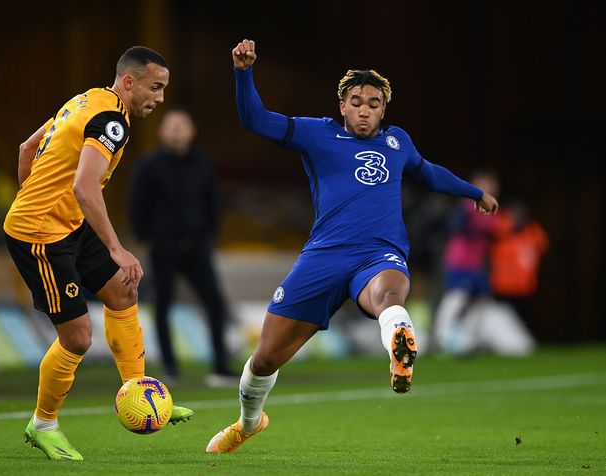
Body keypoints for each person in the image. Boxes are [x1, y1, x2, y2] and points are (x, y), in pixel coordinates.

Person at [205, 39, 499, 454]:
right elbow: (255, 120)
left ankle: (400, 339)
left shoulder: (398, 143)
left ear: (384, 110)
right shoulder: (316, 133)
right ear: (342, 105)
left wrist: (472, 192)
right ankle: (248, 423)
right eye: (357, 101)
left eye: (374, 103)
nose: (365, 109)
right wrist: (243, 72)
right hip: (323, 256)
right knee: (265, 358)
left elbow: (428, 172)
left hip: (378, 252)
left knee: (389, 294)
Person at [3, 46, 193, 461]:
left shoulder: (88, 98)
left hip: (66, 223)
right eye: (155, 87)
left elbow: (25, 149)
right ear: (129, 82)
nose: (159, 98)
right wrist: (115, 247)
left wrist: (35, 195)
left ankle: (142, 394)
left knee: (123, 291)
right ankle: (43, 424)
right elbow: (84, 187)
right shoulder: (111, 122)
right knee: (77, 337)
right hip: (40, 235)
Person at [129, 108, 237, 387]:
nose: (177, 131)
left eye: (182, 126)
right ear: (161, 131)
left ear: (192, 131)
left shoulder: (203, 163)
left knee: (214, 302)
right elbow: (136, 204)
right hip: (163, 247)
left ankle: (221, 366)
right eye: (171, 126)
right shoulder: (148, 165)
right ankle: (170, 368)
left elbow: (213, 203)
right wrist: (146, 236)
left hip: (198, 247)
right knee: (162, 305)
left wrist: (209, 237)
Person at [432, 170, 500, 353]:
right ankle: (440, 340)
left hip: (477, 264)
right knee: (455, 299)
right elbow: (453, 227)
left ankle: (469, 342)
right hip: (460, 262)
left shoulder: (493, 210)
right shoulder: (467, 207)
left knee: (481, 302)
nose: (489, 188)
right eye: (484, 184)